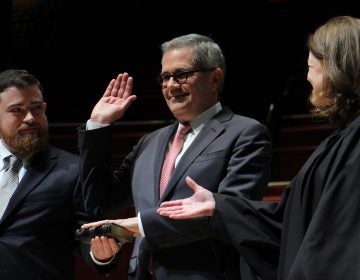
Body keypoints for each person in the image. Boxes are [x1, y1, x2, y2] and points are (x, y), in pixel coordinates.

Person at [157, 16, 360, 280]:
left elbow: (338, 239)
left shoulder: (353, 143)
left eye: (311, 67)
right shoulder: (343, 138)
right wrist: (218, 205)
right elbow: (291, 219)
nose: (308, 77)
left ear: (336, 70)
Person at [77, 33, 272, 279]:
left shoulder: (246, 133)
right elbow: (99, 202)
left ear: (215, 78)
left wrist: (137, 226)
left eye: (181, 75)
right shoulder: (150, 141)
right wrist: (98, 126)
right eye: (165, 77)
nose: (171, 86)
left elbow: (227, 213)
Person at [0, 69, 118, 279]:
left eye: (36, 108)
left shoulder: (73, 170)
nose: (30, 118)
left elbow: (88, 234)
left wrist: (101, 255)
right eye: (17, 110)